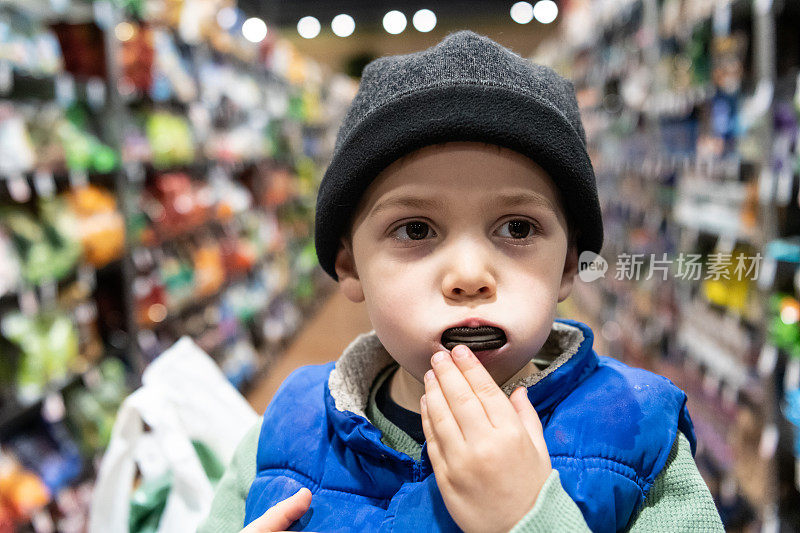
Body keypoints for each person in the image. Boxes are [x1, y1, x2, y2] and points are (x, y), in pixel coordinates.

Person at [199, 30, 724, 532]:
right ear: (349, 265)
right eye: (415, 229)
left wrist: (530, 519)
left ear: (568, 264)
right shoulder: (282, 436)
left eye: (518, 228)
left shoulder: (638, 433)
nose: (469, 276)